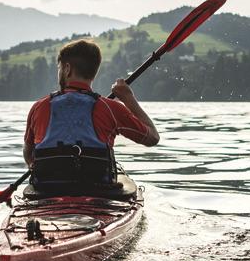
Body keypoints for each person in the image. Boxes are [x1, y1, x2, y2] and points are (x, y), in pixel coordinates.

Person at [23, 38, 159, 194]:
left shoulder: (39, 107)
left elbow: (29, 155)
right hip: (99, 191)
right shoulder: (111, 108)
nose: (59, 73)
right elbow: (152, 138)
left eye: (59, 68)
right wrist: (128, 98)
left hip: (47, 190)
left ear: (67, 69)